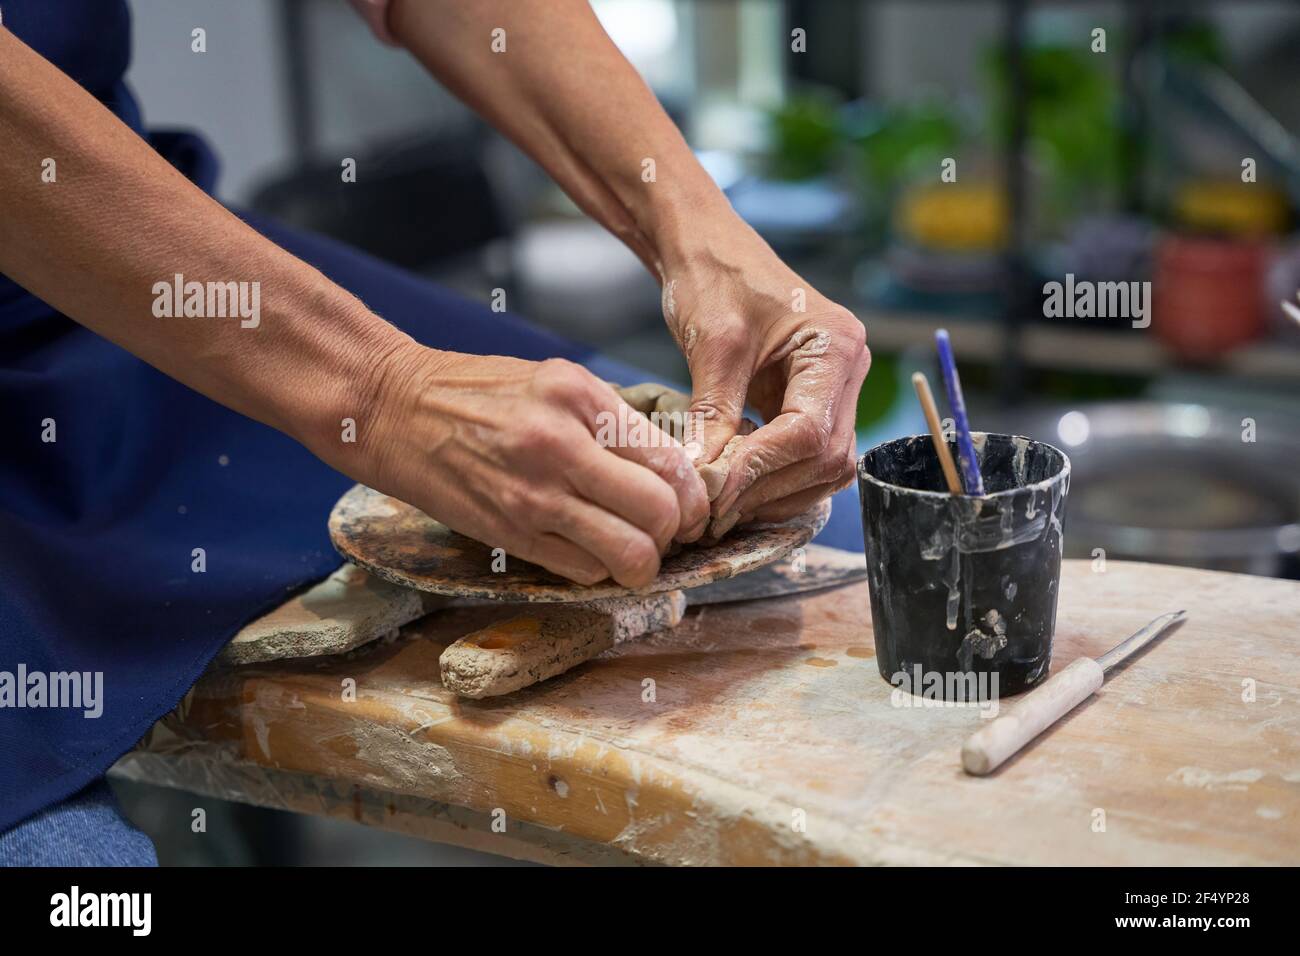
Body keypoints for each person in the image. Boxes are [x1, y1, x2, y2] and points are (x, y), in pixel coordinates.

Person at [0, 0, 868, 864]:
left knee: (851, 534)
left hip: (162, 278)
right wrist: (381, 393)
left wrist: (704, 241)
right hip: (89, 305)